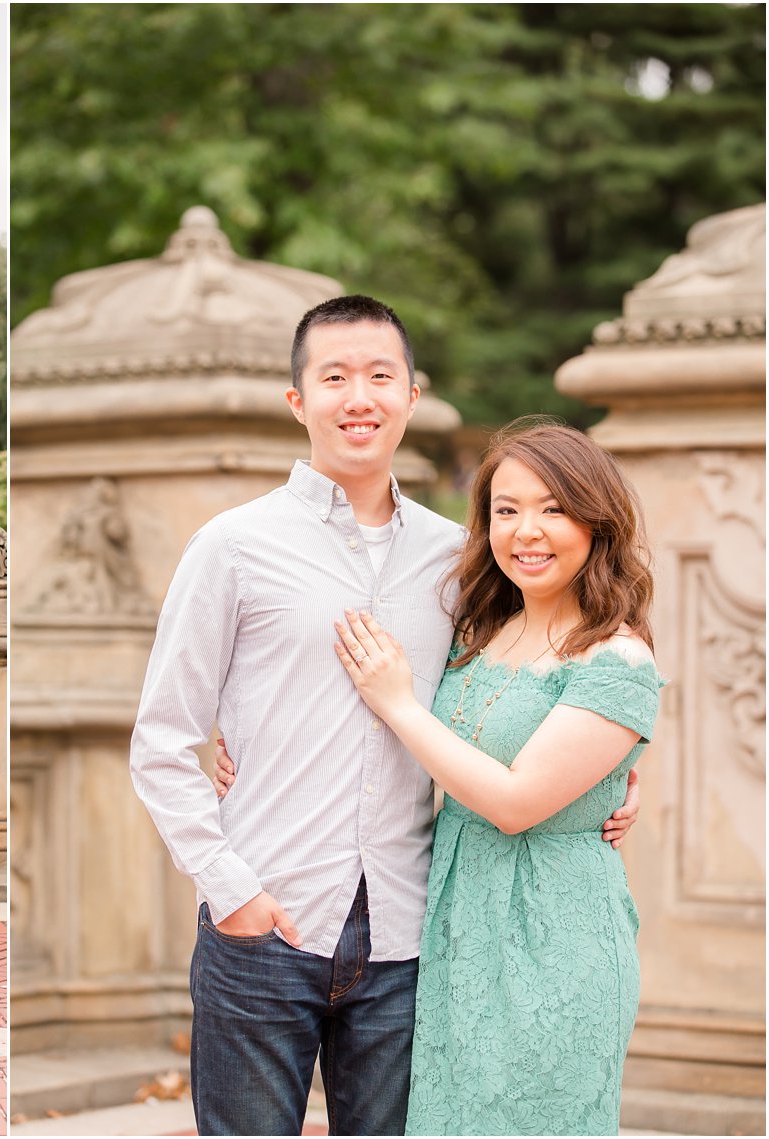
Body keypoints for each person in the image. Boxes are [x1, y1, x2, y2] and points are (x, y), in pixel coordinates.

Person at [129, 296, 638, 1136]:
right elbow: (160, 741)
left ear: (410, 394)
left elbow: (533, 675)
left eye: (379, 375)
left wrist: (610, 781)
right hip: (264, 924)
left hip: (410, 937)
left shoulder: (460, 557)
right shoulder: (233, 546)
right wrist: (231, 889)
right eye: (334, 377)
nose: (357, 396)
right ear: (299, 400)